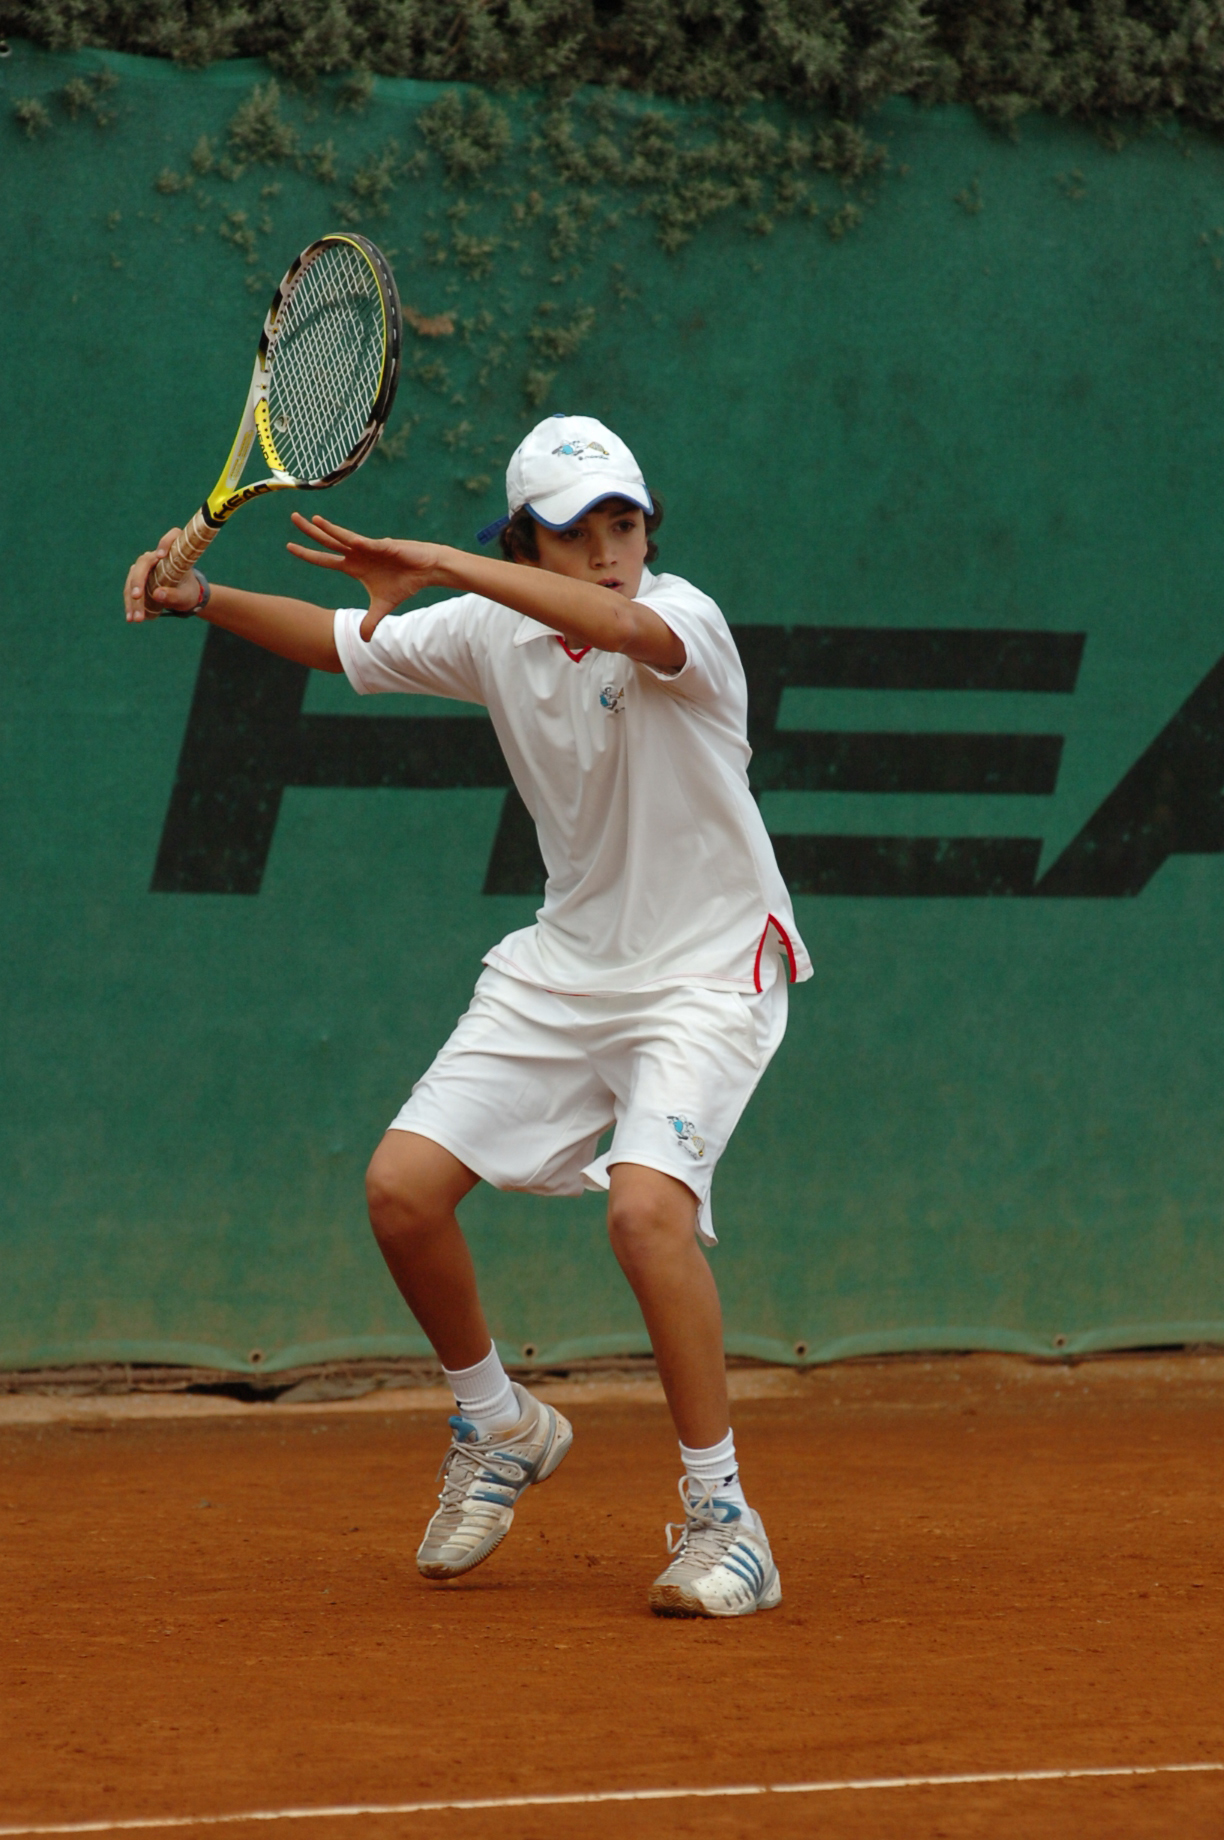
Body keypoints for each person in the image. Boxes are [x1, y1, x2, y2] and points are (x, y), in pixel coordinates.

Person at [125, 413, 812, 1618]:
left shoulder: (684, 622)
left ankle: (726, 1518)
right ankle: (500, 1424)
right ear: (528, 545)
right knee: (400, 1189)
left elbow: (613, 626)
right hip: (569, 964)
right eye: (574, 534)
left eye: (625, 524)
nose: (607, 553)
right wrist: (204, 601)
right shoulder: (495, 630)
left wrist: (441, 561)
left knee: (647, 1215)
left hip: (707, 971)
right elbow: (345, 642)